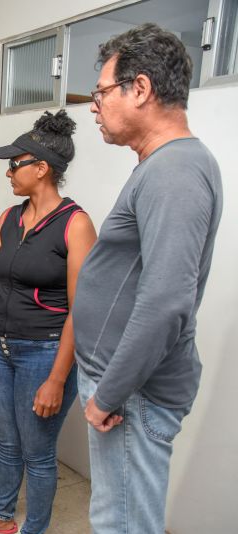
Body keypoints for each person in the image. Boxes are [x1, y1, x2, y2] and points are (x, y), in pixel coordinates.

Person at [72, 24, 222, 534]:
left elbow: (164, 302)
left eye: (101, 92)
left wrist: (108, 394)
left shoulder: (174, 171)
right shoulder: (162, 165)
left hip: (129, 393)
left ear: (140, 88)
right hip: (122, 386)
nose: (94, 106)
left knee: (124, 523)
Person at [0, 111, 97, 534]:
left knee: (38, 452)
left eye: (15, 164)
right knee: (10, 441)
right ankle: (2, 517)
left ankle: (33, 528)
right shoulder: (9, 218)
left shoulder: (76, 225)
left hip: (45, 353)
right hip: (0, 348)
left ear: (41, 168)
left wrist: (57, 377)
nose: (8, 172)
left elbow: (82, 310)